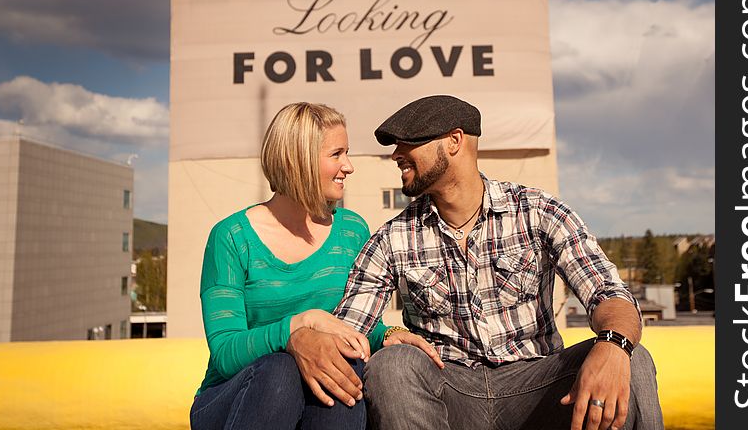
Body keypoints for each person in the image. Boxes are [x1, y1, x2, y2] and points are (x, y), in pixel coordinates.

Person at [291, 95, 664, 430]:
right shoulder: (392, 238)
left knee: (633, 358)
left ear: (454, 141)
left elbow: (609, 293)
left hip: (536, 387)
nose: (396, 155)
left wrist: (613, 344)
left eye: (411, 143)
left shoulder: (539, 211)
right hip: (449, 391)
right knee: (392, 365)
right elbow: (345, 331)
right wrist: (302, 338)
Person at [189, 102, 437, 430]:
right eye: (336, 154)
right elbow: (224, 350)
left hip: (320, 391)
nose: (348, 166)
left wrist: (388, 335)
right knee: (281, 368)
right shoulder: (232, 237)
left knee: (341, 363)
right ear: (299, 160)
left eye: (346, 153)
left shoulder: (352, 230)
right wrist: (299, 327)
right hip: (236, 398)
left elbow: (356, 326)